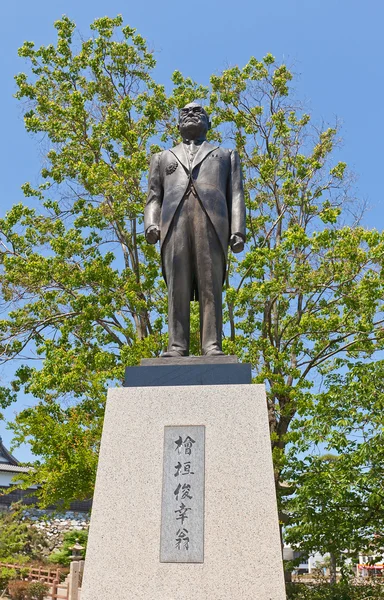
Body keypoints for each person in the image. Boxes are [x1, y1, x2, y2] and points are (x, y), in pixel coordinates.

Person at [144, 102, 246, 357]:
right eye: (185, 113)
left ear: (209, 124)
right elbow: (154, 197)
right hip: (173, 224)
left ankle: (211, 345)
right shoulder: (162, 157)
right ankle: (176, 346)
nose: (191, 114)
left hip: (212, 223)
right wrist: (151, 223)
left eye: (198, 112)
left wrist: (238, 230)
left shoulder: (225, 155)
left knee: (210, 283)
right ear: (178, 125)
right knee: (176, 284)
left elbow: (236, 195)